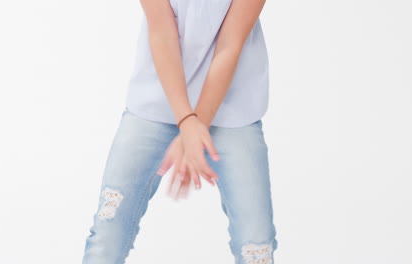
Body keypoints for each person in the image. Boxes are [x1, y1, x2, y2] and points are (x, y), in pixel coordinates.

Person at [82, 0, 278, 263]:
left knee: (256, 245)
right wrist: (187, 121)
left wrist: (198, 124)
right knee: (108, 233)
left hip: (233, 111)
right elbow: (162, 33)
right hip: (156, 104)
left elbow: (230, 44)